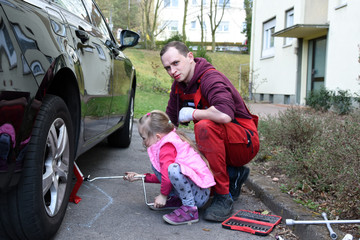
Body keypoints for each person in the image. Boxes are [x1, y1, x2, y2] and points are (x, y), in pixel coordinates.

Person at [160, 41, 260, 222]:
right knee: (183, 144)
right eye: (167, 67)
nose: (172, 71)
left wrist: (193, 113)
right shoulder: (179, 87)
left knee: (204, 127)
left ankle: (224, 197)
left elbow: (224, 115)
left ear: (190, 57)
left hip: (245, 142)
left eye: (176, 63)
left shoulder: (210, 78)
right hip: (223, 142)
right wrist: (157, 144)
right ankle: (233, 175)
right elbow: (170, 125)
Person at [124, 110, 215, 225]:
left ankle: (190, 209)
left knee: (172, 169)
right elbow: (165, 176)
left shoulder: (167, 146)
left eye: (144, 138)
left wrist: (163, 195)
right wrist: (141, 177)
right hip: (196, 191)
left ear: (157, 136)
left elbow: (168, 175)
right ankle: (177, 200)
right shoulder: (165, 141)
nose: (143, 142)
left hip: (199, 195)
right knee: (165, 168)